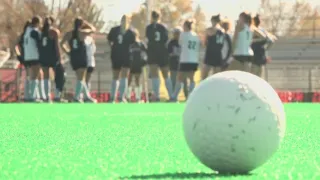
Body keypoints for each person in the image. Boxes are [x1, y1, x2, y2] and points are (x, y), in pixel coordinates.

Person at [60, 17, 97, 103]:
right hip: (81, 56)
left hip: (73, 56)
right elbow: (93, 30)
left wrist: (68, 52)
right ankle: (77, 97)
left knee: (80, 78)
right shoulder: (82, 33)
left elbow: (61, 43)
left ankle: (86, 96)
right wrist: (87, 24)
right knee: (81, 78)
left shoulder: (69, 34)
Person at [107, 14, 136, 102]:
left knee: (117, 76)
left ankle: (114, 97)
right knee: (122, 76)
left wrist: (113, 47)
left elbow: (109, 40)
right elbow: (133, 43)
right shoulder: (130, 32)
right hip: (124, 55)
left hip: (117, 54)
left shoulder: (115, 30)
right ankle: (120, 97)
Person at [146, 10, 172, 102]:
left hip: (153, 52)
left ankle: (156, 96)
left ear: (152, 17)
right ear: (159, 17)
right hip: (162, 52)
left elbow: (148, 39)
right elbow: (166, 40)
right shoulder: (163, 27)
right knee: (166, 75)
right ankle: (171, 96)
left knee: (154, 75)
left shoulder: (149, 27)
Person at [172, 19, 200, 102]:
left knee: (179, 78)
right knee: (191, 78)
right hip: (194, 60)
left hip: (185, 59)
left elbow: (180, 44)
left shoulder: (183, 35)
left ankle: (174, 96)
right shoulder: (195, 35)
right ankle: (191, 96)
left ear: (186, 26)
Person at [40, 16, 67, 102]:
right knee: (59, 75)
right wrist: (59, 57)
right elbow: (56, 45)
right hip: (53, 56)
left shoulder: (41, 32)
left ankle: (46, 96)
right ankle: (57, 95)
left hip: (43, 56)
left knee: (46, 76)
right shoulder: (54, 32)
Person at [202, 14, 232, 80]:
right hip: (218, 56)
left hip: (209, 55)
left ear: (213, 21)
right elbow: (229, 47)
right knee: (216, 79)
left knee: (203, 78)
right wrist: (226, 59)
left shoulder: (209, 30)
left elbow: (204, 43)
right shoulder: (223, 31)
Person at [23, 16, 42, 102]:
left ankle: (29, 95)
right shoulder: (34, 31)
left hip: (27, 57)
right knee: (35, 76)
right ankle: (33, 96)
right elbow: (39, 43)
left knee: (30, 77)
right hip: (34, 56)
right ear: (37, 23)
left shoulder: (26, 31)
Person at [167, 27, 188, 99]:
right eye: (175, 34)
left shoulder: (183, 42)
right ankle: (173, 97)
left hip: (183, 64)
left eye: (178, 34)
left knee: (184, 81)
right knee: (174, 81)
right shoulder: (171, 43)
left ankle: (187, 96)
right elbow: (169, 53)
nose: (177, 35)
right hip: (173, 64)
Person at [127, 30, 147, 102]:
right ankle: (127, 96)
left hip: (138, 64)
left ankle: (138, 97)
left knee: (137, 80)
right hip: (130, 64)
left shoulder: (141, 44)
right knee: (128, 80)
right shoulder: (129, 44)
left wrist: (144, 61)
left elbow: (145, 53)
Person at [15, 20, 31, 101]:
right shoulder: (23, 36)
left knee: (26, 77)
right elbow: (16, 46)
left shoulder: (23, 36)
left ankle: (26, 95)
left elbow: (16, 46)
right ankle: (24, 95)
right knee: (26, 76)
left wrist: (18, 54)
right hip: (26, 58)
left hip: (25, 57)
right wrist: (18, 55)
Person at [83, 26, 96, 100]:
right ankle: (85, 95)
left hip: (90, 62)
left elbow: (93, 50)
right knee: (84, 79)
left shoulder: (90, 39)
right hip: (86, 61)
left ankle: (86, 95)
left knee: (87, 80)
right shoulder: (84, 39)